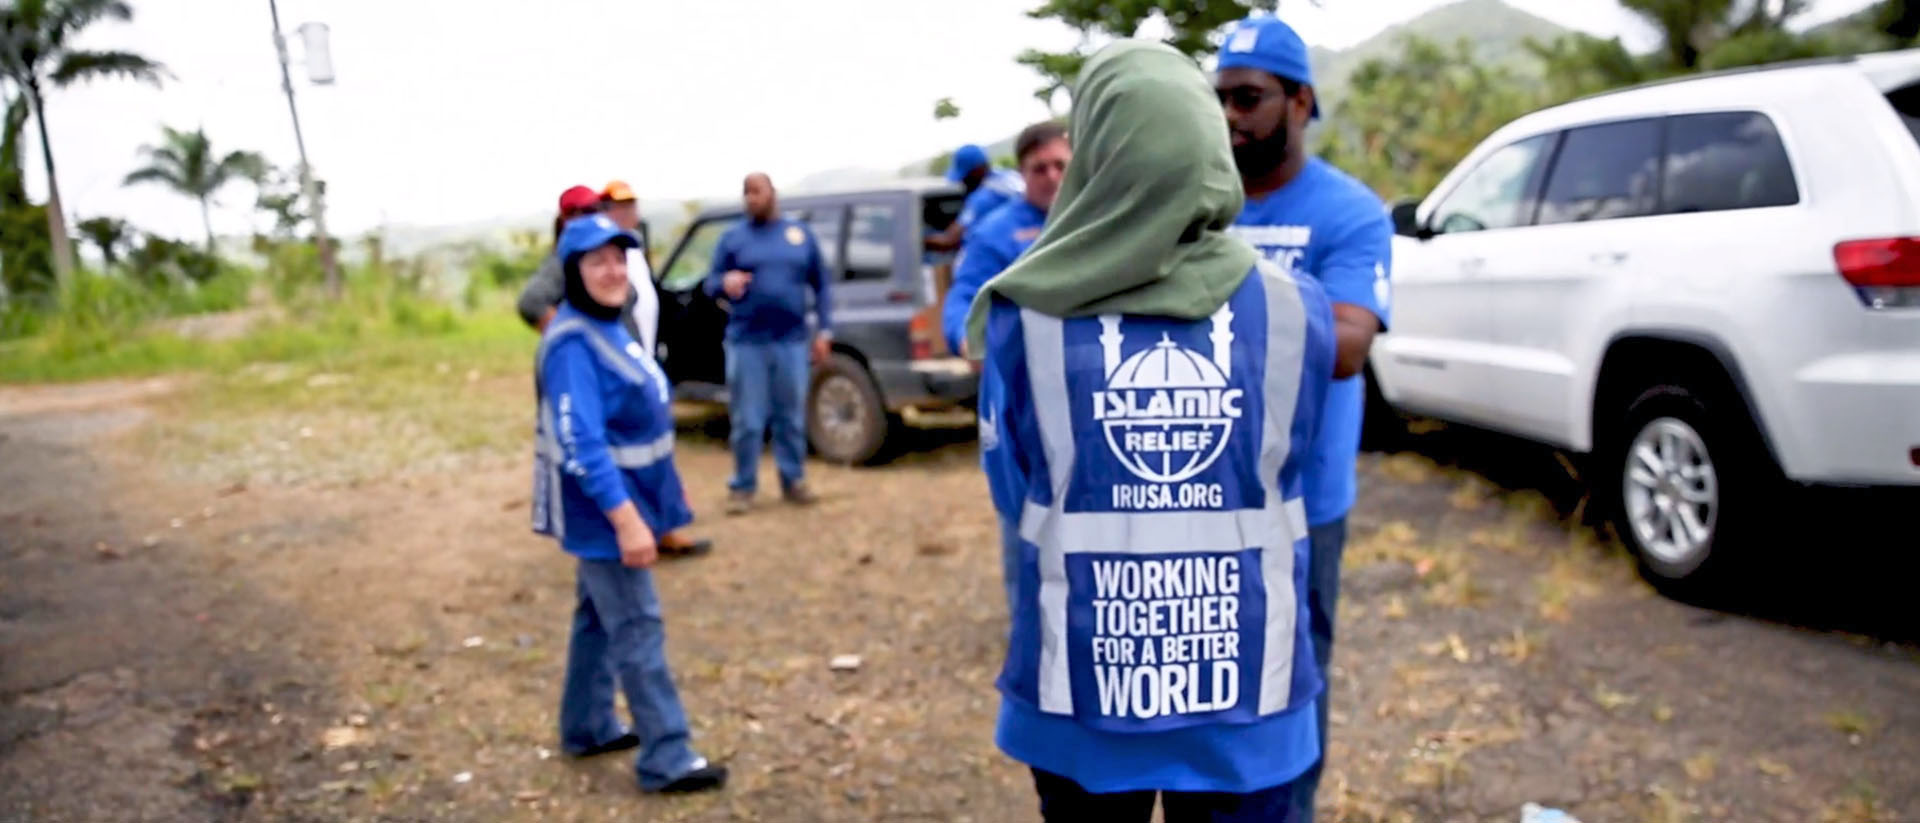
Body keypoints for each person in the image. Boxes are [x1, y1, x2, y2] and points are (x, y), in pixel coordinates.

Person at [965, 40, 1335, 822]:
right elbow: (1284, 465)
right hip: (1252, 688)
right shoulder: (1298, 306)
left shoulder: (1025, 316)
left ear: (1097, 151)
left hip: (1083, 689)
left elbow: (1012, 490)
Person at [1217, 15, 1394, 821]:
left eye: (1249, 98)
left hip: (1304, 499)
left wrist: (1218, 315)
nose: (1231, 116)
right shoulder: (1200, 206)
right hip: (1208, 495)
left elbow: (1350, 343)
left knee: (1297, 670)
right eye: (1220, 98)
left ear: (1301, 100)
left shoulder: (1349, 212)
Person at [531, 213, 729, 795]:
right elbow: (582, 443)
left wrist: (668, 496)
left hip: (633, 506)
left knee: (596, 618)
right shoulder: (571, 343)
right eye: (598, 261)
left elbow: (643, 423)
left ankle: (587, 726)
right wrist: (627, 521)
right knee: (638, 628)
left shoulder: (610, 325)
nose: (613, 270)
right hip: (606, 517)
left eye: (620, 258)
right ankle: (668, 756)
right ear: (573, 271)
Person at [521, 184, 713, 558]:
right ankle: (635, 525)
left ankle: (663, 523)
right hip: (603, 373)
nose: (600, 213)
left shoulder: (623, 248)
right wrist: (567, 337)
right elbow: (531, 302)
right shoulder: (573, 319)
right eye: (585, 210)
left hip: (630, 361)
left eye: (604, 206)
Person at [705, 172, 832, 515]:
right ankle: (743, 487)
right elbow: (710, 283)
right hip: (747, 342)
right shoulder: (733, 239)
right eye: (746, 192)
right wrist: (724, 281)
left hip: (791, 341)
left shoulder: (799, 236)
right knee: (748, 420)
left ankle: (794, 480)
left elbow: (821, 285)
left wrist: (824, 331)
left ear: (773, 193)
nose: (751, 198)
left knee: (790, 417)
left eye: (757, 191)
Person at [940, 120, 1071, 359]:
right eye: (1039, 169)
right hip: (1029, 363)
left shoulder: (1103, 218)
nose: (1052, 177)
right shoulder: (992, 233)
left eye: (1060, 166)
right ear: (1022, 172)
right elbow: (965, 295)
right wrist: (967, 339)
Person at [925, 143, 1026, 252]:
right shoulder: (1009, 176)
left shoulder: (982, 198)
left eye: (964, 176)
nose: (962, 181)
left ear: (976, 171)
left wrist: (919, 240)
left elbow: (949, 241)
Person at [600, 180, 660, 354]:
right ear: (605, 210)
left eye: (631, 204)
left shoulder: (635, 245)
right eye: (620, 206)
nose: (628, 211)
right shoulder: (604, 250)